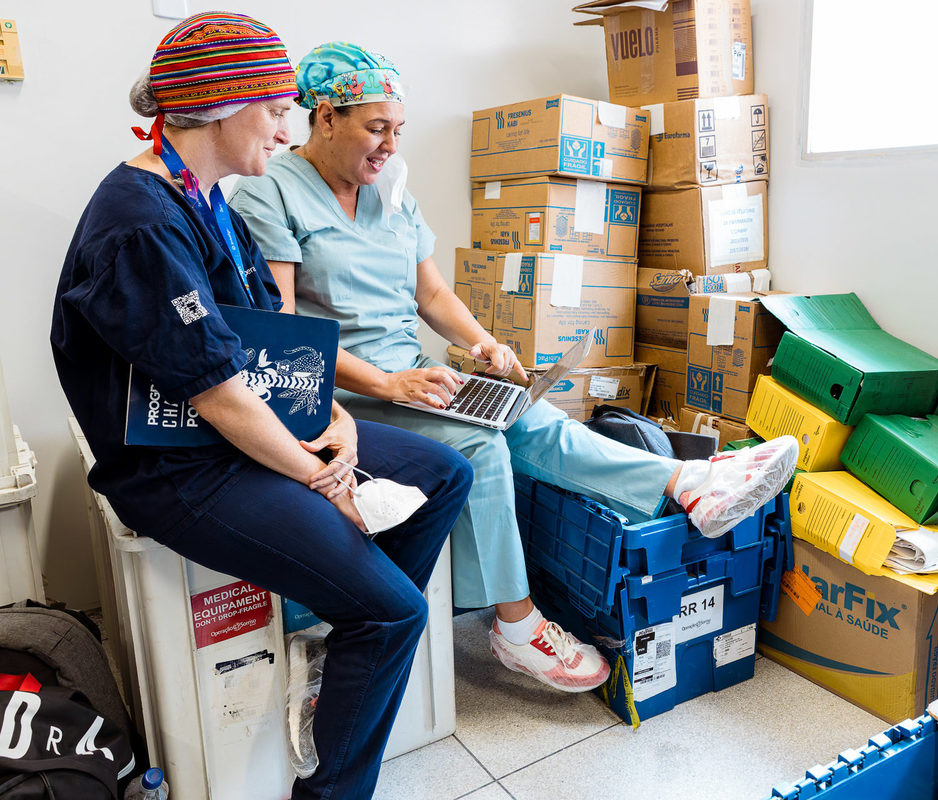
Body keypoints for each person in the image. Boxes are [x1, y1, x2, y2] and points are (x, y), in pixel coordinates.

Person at [230, 41, 799, 694]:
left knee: (531, 416)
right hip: (343, 397)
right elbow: (287, 336)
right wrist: (386, 383)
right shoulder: (270, 193)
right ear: (327, 118)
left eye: (398, 130)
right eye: (377, 127)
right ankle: (516, 624)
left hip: (414, 378)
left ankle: (689, 482)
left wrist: (484, 344)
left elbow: (431, 294)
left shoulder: (391, 193)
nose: (390, 146)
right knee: (480, 443)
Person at [50, 15, 472, 800]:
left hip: (243, 429)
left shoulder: (208, 199)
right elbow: (219, 395)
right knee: (395, 612)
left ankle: (342, 640)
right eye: (276, 110)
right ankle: (335, 772)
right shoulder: (140, 223)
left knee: (445, 474)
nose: (286, 131)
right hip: (179, 468)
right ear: (219, 106)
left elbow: (272, 338)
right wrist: (323, 475)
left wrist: (338, 420)